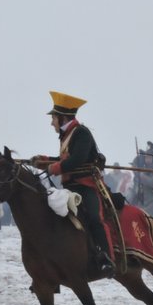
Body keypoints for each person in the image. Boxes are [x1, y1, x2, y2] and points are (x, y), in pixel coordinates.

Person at [32, 91, 114, 278]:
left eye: (53, 118)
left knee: (94, 218)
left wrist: (53, 168)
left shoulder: (81, 133)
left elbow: (77, 160)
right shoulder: (66, 134)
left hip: (87, 186)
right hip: (70, 187)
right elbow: (64, 159)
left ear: (63, 117)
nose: (51, 122)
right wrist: (44, 161)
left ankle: (106, 259)